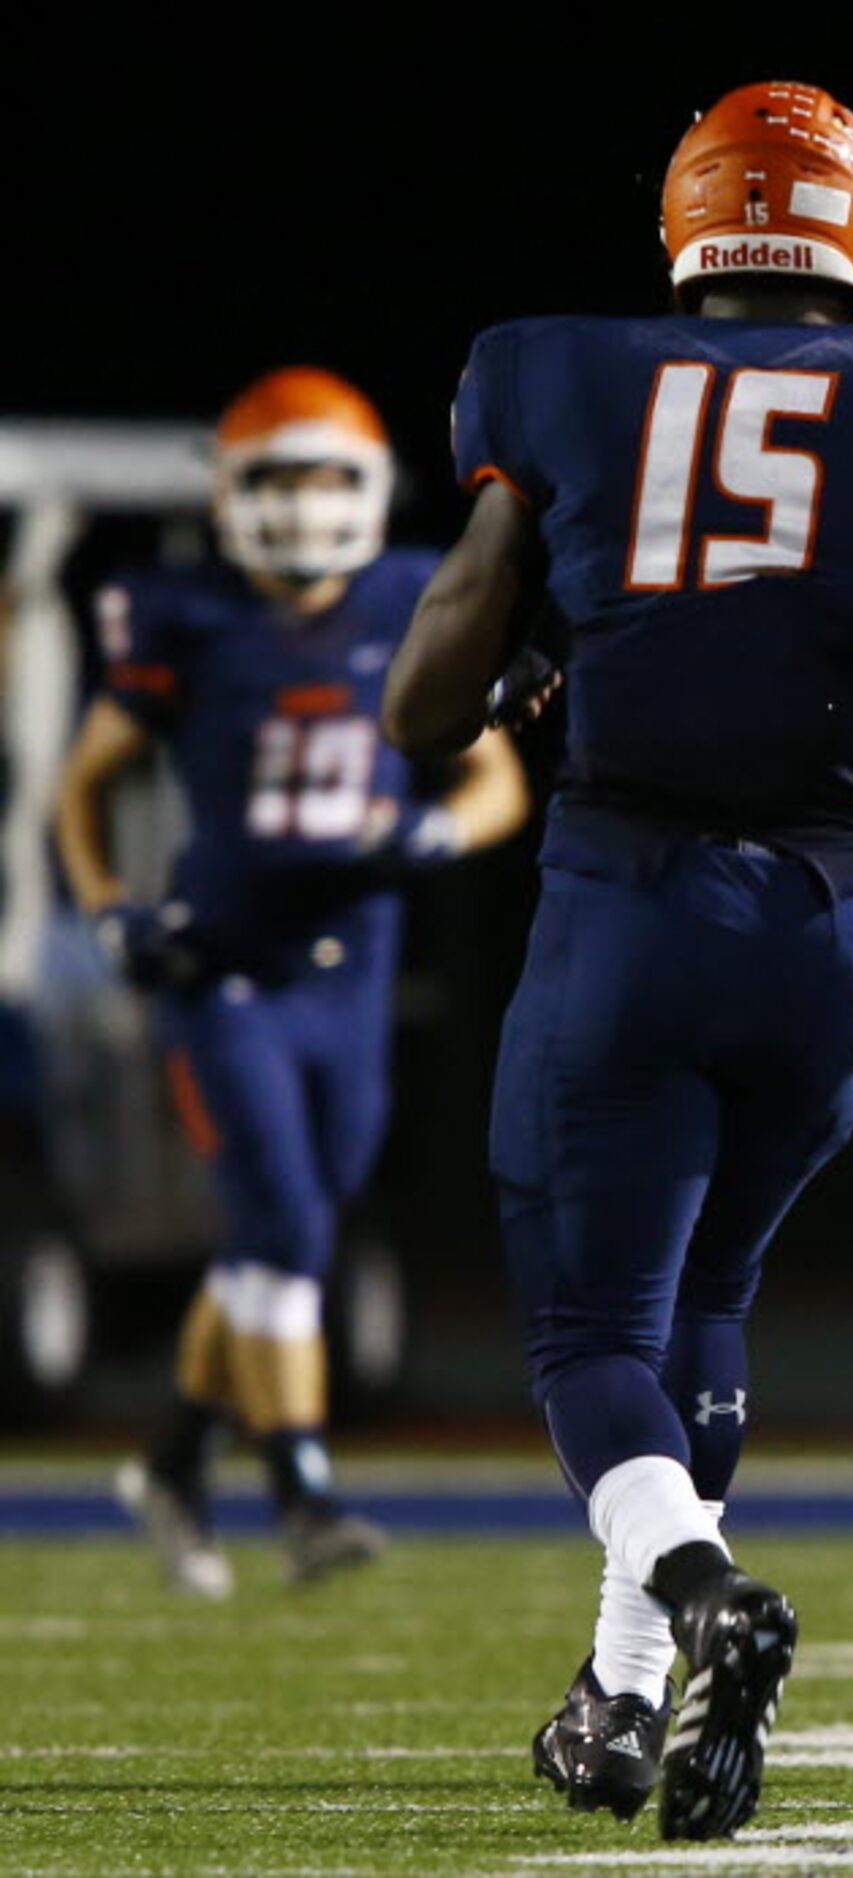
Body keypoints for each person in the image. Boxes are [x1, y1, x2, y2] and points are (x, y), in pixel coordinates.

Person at [382, 80, 853, 1842]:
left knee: (585, 1327)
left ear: (692, 226)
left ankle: (701, 1589)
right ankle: (622, 1700)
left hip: (631, 896)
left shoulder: (557, 372)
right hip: (835, 925)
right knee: (701, 1298)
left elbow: (421, 705)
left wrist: (509, 671)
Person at [55, 367, 531, 1598]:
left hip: (354, 966)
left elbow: (494, 783)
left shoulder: (405, 595)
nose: (307, 503)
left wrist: (433, 836)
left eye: (328, 475)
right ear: (230, 494)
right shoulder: (184, 612)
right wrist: (110, 908)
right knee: (279, 1228)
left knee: (295, 1231)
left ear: (371, 489)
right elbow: (83, 782)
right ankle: (302, 1487)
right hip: (226, 966)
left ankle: (170, 1461)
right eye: (280, 478)